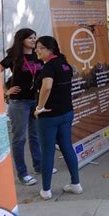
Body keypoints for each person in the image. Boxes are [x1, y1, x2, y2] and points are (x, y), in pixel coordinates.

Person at [33, 36, 82, 200]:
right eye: (36, 47)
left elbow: (46, 87)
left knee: (47, 151)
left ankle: (46, 191)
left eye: (40, 47)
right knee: (67, 146)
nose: (36, 50)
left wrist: (39, 108)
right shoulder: (65, 64)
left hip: (49, 116)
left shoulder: (49, 67)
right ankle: (76, 184)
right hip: (66, 113)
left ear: (50, 49)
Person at [0, 28, 47, 186]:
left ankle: (39, 166)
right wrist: (5, 91)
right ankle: (22, 173)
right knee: (19, 138)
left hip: (35, 100)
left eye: (35, 37)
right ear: (22, 40)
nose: (34, 40)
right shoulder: (14, 57)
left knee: (35, 135)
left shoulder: (38, 55)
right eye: (30, 38)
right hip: (19, 102)